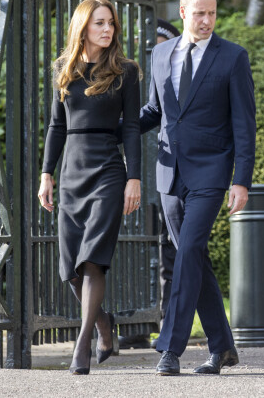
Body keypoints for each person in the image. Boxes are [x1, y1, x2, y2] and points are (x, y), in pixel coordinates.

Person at [137, 0, 256, 376]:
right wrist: (111, 126)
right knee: (194, 256)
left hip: (211, 171)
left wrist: (241, 181)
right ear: (183, 13)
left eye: (212, 13)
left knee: (187, 250)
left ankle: (170, 347)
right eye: (200, 13)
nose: (207, 21)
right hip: (169, 172)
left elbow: (244, 125)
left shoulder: (233, 57)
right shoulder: (160, 53)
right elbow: (155, 110)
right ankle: (222, 347)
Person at [37, 0, 141, 375]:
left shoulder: (125, 71)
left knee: (93, 259)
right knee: (71, 269)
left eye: (110, 23)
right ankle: (102, 322)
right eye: (100, 23)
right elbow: (55, 126)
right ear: (83, 26)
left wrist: (134, 177)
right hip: (71, 173)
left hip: (108, 171)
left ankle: (82, 347)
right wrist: (46, 173)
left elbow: (130, 127)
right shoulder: (63, 69)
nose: (107, 29)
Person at [118, 18, 181, 351]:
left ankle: (167, 324)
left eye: (159, 43)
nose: (154, 51)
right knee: (133, 251)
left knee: (172, 253)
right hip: (134, 176)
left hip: (167, 174)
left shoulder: (179, 68)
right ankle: (132, 323)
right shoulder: (127, 75)